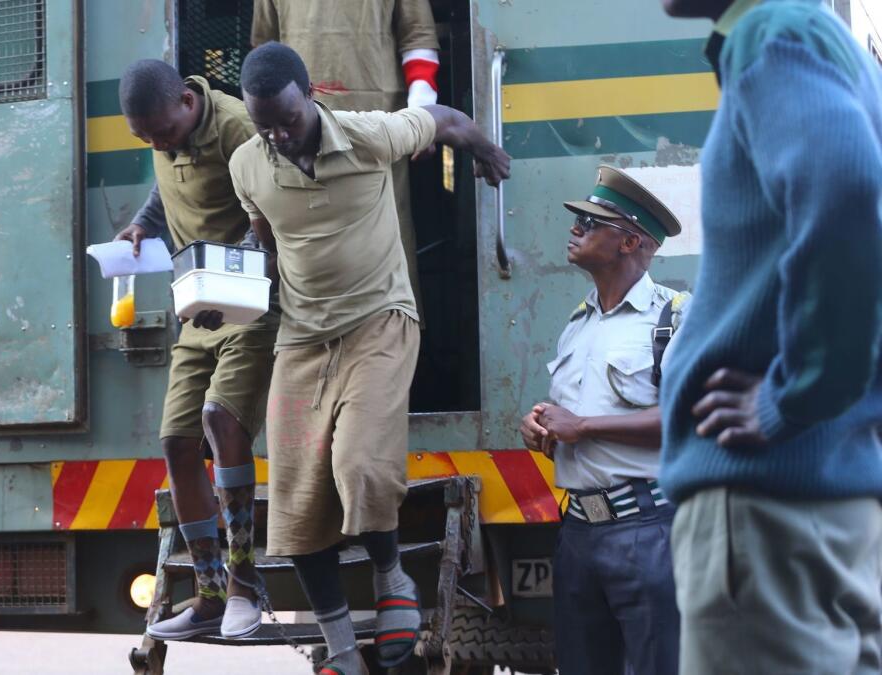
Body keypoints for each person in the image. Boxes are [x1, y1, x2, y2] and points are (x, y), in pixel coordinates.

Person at [229, 42, 509, 673]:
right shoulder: (249, 163)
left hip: (379, 323)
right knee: (296, 505)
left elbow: (441, 119)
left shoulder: (367, 136)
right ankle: (340, 649)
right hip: (301, 341)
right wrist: (237, 283)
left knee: (359, 468)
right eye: (263, 124)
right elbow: (264, 237)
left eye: (287, 120)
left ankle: (393, 580)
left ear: (312, 98)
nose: (278, 135)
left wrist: (484, 147)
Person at [656, 0, 882, 672]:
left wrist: (796, 394)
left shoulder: (772, 32)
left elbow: (846, 188)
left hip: (762, 511)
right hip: (830, 502)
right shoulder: (838, 51)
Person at [114, 59, 279, 640]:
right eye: (147, 139)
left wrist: (225, 274)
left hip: (250, 304)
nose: (159, 144)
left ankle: (244, 584)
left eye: (164, 134)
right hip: (197, 312)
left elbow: (271, 216)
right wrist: (140, 224)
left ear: (188, 100)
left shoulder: (237, 127)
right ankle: (208, 594)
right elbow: (167, 192)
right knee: (177, 441)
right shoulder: (165, 130)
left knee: (221, 421)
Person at [520, 166, 685, 675]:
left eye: (591, 223)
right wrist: (540, 428)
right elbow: (568, 424)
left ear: (629, 241)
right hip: (578, 533)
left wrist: (584, 426)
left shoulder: (674, 318)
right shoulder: (578, 323)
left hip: (647, 531)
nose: (575, 229)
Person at [251, 0, 442, 315]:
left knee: (383, 234)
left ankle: (394, 329)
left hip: (378, 127)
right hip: (297, 130)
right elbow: (265, 53)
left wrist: (420, 115)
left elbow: (418, 37)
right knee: (308, 234)